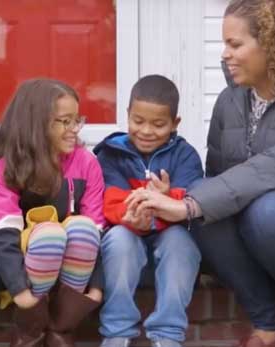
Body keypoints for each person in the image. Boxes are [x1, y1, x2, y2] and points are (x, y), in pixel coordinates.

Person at [125, 1, 275, 347]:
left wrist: (192, 204)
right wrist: (176, 198)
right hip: (258, 238)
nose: (225, 54)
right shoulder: (230, 100)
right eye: (225, 44)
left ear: (273, 43)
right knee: (202, 204)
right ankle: (268, 325)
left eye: (235, 44)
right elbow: (219, 181)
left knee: (268, 208)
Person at [0, 78, 105, 347]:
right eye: (64, 121)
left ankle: (62, 331)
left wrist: (97, 286)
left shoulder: (87, 163)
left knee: (83, 227)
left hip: (73, 266)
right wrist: (21, 292)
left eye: (77, 120)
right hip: (31, 264)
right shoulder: (11, 166)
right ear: (36, 124)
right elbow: (1, 228)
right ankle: (31, 332)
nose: (74, 129)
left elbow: (98, 227)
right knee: (50, 233)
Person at [94, 75, 204, 347]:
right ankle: (116, 332)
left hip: (169, 239)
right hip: (127, 238)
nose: (145, 131)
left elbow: (194, 198)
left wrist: (168, 199)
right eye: (138, 121)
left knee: (182, 244)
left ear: (175, 123)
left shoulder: (185, 155)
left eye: (158, 124)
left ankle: (167, 335)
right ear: (127, 114)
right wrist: (131, 218)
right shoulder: (111, 154)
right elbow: (109, 202)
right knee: (118, 239)